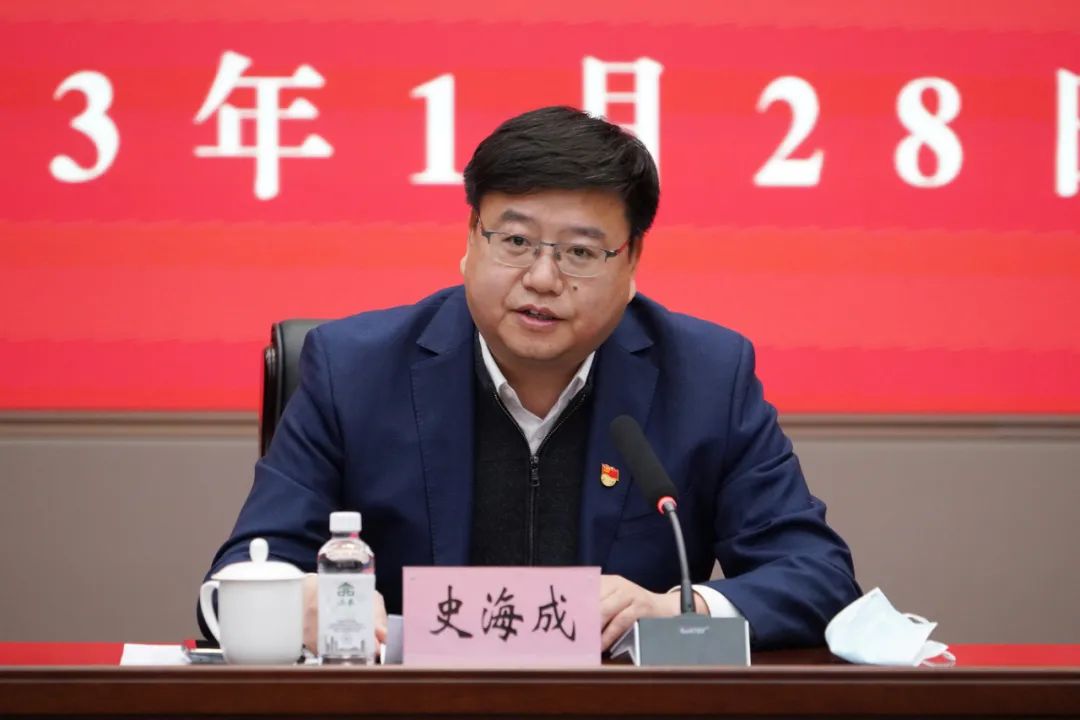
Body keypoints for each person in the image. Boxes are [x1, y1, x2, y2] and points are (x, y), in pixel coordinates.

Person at [201, 106, 860, 651]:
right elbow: (236, 576)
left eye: (580, 252)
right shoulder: (353, 369)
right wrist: (293, 601)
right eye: (515, 242)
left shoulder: (707, 377)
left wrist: (679, 609)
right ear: (470, 239)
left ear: (632, 262)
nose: (543, 279)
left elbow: (818, 577)